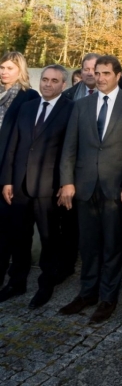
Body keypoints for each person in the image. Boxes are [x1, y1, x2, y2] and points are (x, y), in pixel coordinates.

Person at [58, 54, 122, 323]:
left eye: (106, 73)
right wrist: (67, 182)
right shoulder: (81, 105)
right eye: (97, 72)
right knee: (88, 243)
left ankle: (108, 297)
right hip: (84, 186)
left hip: (115, 188)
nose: (101, 77)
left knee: (111, 244)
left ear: (118, 75)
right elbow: (69, 147)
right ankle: (87, 292)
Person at [0, 65, 74, 307]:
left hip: (49, 187)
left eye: (54, 81)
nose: (47, 84)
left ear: (64, 85)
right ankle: (16, 282)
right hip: (19, 185)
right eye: (44, 79)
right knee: (18, 237)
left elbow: (70, 151)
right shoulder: (27, 107)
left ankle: (46, 285)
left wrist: (65, 184)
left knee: (49, 238)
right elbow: (13, 144)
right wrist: (8, 180)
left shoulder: (71, 110)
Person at [0, 51, 40, 299]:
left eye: (9, 68)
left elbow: (26, 142)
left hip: (13, 174)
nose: (4, 72)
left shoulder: (29, 97)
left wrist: (10, 178)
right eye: (2, 67)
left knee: (17, 231)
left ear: (21, 70)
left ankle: (17, 280)